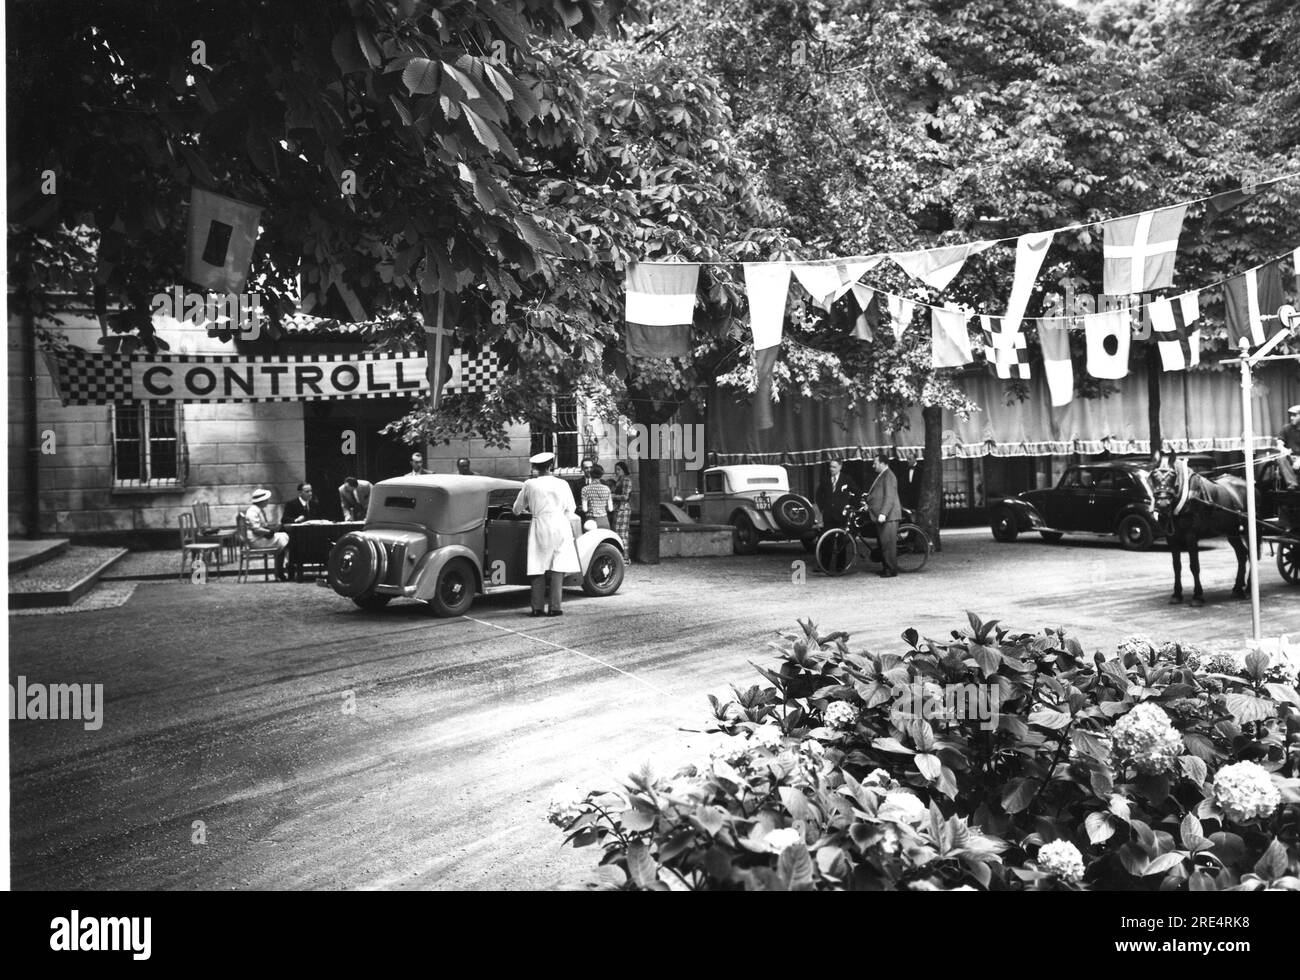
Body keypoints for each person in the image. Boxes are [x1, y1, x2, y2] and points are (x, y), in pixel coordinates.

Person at [512, 452, 580, 617]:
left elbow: (516, 510)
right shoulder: (563, 484)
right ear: (551, 466)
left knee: (538, 564)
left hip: (540, 525)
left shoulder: (529, 484)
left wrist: (530, 508)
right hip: (560, 525)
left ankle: (537, 608)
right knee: (558, 565)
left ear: (535, 468)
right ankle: (555, 607)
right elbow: (571, 508)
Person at [865, 453, 901, 578]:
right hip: (884, 516)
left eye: (875, 463)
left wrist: (883, 514)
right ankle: (886, 567)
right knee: (884, 544)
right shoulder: (884, 475)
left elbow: (889, 497)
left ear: (882, 463)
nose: (873, 465)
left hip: (888, 517)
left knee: (888, 544)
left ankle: (891, 570)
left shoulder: (889, 476)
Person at [243, 488, 289, 581]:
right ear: (262, 501)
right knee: (284, 538)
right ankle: (283, 569)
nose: (267, 501)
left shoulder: (257, 510)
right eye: (266, 499)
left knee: (282, 538)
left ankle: (279, 571)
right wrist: (269, 532)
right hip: (256, 541)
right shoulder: (252, 511)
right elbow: (256, 529)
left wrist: (272, 529)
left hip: (259, 537)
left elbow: (261, 526)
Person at [816, 457, 858, 529]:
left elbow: (857, 493)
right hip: (828, 517)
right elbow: (818, 495)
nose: (831, 469)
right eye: (830, 467)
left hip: (842, 516)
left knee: (841, 538)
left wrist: (851, 507)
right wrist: (822, 508)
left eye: (834, 467)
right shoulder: (825, 479)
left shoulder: (846, 479)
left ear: (840, 467)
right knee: (828, 537)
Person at [581, 464, 614, 529]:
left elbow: (585, 509)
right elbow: (610, 509)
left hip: (590, 521)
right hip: (604, 520)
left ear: (590, 474)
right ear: (601, 475)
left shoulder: (585, 489)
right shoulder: (607, 489)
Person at [611, 461, 633, 553]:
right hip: (618, 509)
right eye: (615, 469)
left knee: (622, 534)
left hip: (623, 509)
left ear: (624, 470)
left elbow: (625, 496)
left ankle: (625, 557)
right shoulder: (620, 481)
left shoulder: (626, 480)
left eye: (618, 469)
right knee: (617, 533)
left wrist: (613, 496)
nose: (616, 471)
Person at [1276, 404, 1300, 489]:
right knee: (1281, 458)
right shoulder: (1286, 428)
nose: (1291, 418)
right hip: (1290, 458)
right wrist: (1283, 449)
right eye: (1291, 416)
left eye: (1294, 415)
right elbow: (1279, 443)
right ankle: (1292, 484)